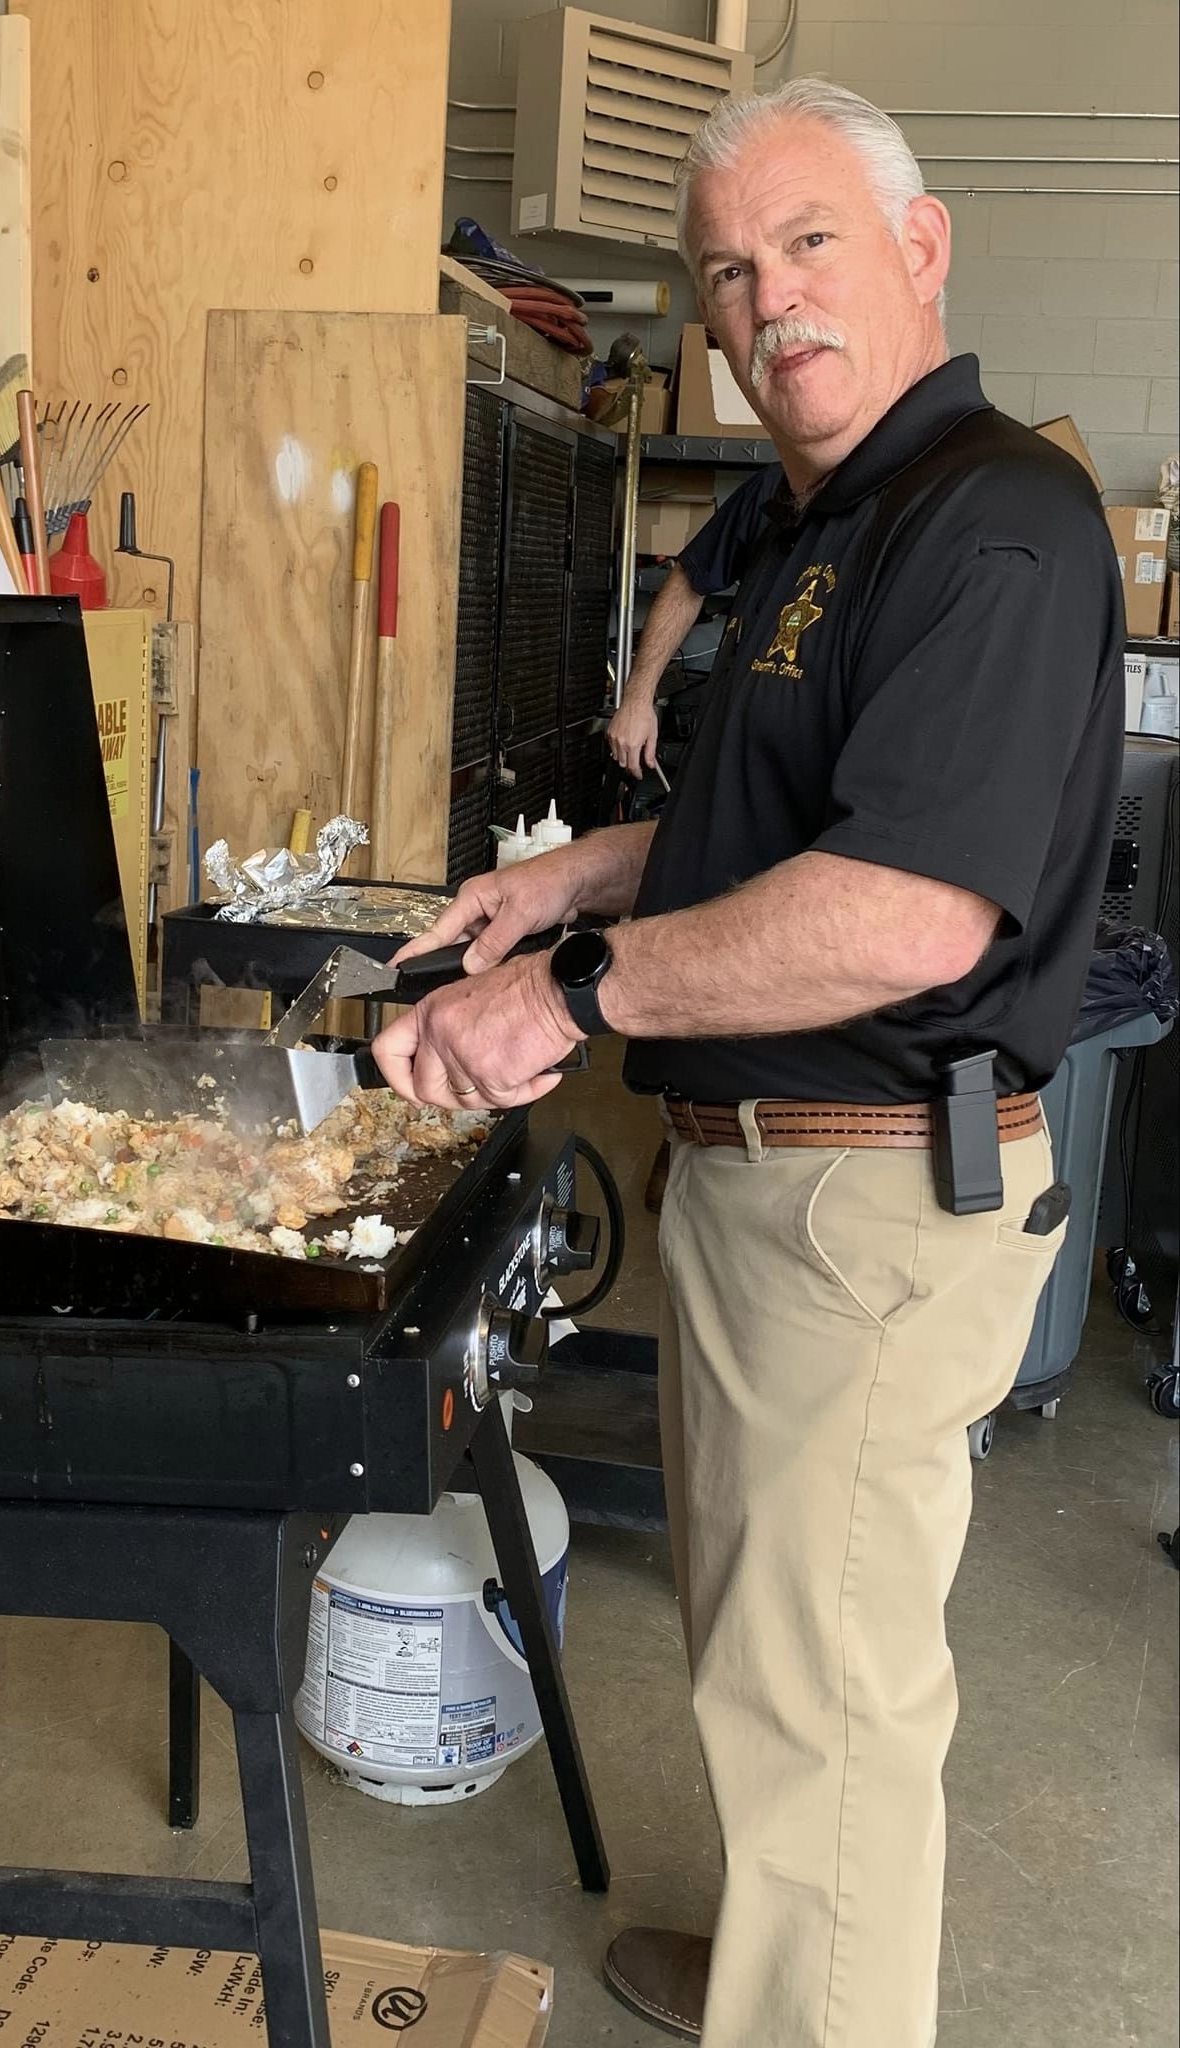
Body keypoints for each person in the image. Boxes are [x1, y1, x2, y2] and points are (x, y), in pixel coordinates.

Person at [374, 77, 1123, 2048]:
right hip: (763, 1176)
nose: (763, 298)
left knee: (832, 1698)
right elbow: (763, 823)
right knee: (761, 1649)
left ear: (920, 243)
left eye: (804, 244)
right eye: (727, 270)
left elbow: (903, 912)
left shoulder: (995, 524)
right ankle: (785, 1955)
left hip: (866, 1194)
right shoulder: (821, 524)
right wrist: (552, 893)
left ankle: (823, 2006)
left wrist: (574, 994)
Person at [606, 469, 774, 780]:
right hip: (738, 732)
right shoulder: (774, 488)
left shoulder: (887, 510)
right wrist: (638, 698)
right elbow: (688, 579)